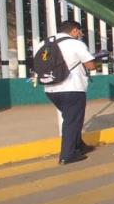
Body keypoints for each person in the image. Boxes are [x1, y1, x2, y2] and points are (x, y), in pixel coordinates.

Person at [40, 20, 98, 165]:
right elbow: (90, 66)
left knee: (72, 117)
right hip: (72, 87)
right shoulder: (76, 44)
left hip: (50, 88)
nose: (80, 34)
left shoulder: (44, 44)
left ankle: (79, 146)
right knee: (72, 121)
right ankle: (67, 155)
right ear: (74, 31)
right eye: (79, 31)